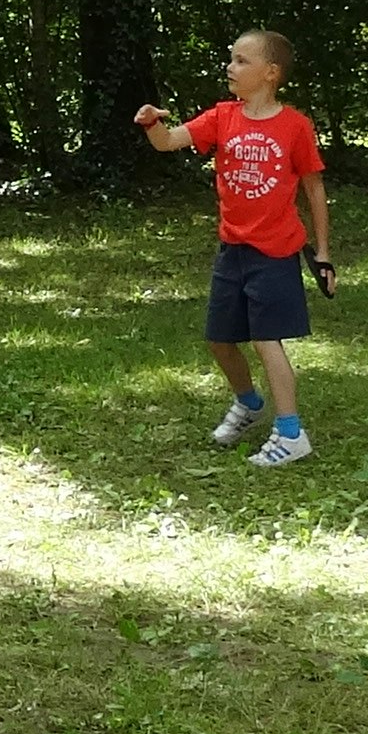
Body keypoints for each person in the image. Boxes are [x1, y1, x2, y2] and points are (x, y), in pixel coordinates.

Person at [134, 27, 332, 466]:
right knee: (220, 341)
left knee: (265, 340)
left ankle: (291, 434)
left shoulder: (295, 126)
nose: (230, 67)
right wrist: (152, 122)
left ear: (271, 73)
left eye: (242, 60)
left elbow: (314, 189)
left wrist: (323, 253)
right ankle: (249, 402)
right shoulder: (222, 116)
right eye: (231, 58)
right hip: (233, 249)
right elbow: (168, 142)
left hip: (275, 252)